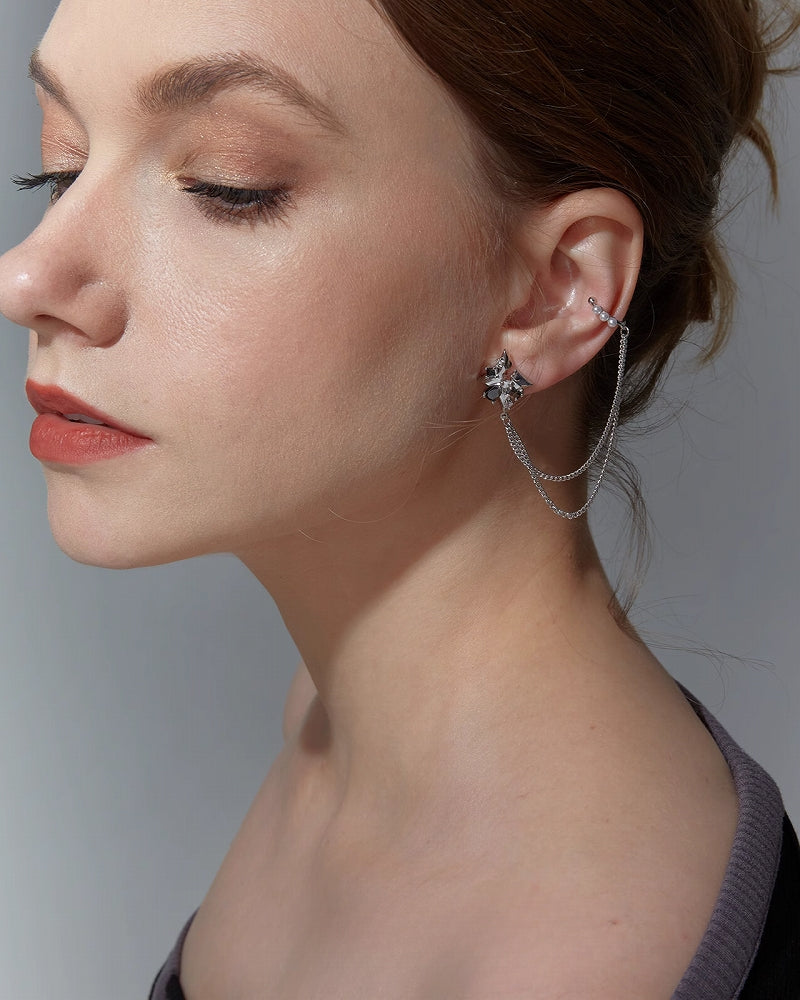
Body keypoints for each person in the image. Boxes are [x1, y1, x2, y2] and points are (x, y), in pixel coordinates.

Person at [0, 0, 798, 997]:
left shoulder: (560, 963)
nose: (26, 275)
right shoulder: (331, 720)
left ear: (556, 291)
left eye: (227, 186)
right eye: (62, 164)